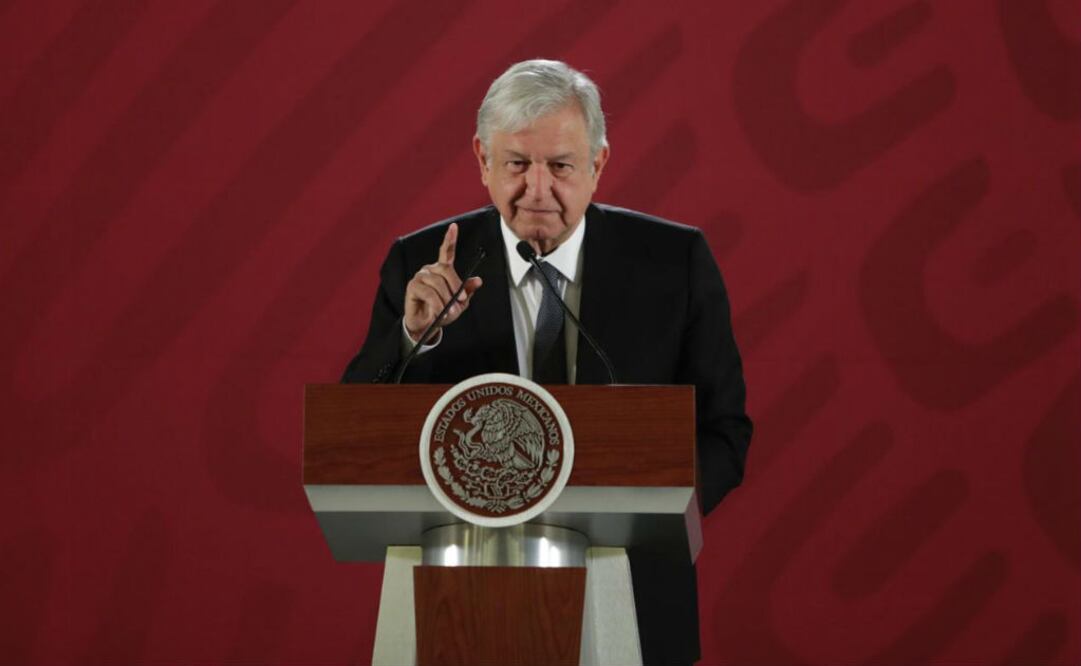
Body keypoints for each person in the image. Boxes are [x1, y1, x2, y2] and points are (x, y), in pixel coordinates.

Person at [342, 59, 752, 665]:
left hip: (632, 599)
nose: (537, 190)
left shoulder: (673, 262)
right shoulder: (422, 265)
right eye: (516, 165)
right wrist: (413, 336)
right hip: (457, 602)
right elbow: (354, 434)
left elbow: (725, 431)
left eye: (560, 166)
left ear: (598, 164)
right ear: (482, 160)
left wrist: (652, 516)